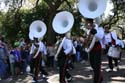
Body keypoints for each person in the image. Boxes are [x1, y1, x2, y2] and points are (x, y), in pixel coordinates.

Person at [85, 18, 104, 83]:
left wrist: (95, 32)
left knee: (97, 66)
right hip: (91, 49)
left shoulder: (100, 28)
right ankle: (100, 77)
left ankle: (97, 81)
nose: (86, 24)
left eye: (87, 22)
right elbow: (88, 39)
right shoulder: (88, 30)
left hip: (97, 48)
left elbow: (100, 37)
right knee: (93, 65)